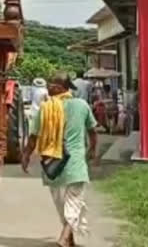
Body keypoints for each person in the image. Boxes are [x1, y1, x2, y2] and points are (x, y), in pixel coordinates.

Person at [21, 76, 98, 247]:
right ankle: (67, 239)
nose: (48, 87)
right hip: (75, 163)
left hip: (52, 163)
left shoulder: (46, 108)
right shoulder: (81, 106)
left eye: (52, 85)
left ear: (62, 87)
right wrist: (93, 150)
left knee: (65, 203)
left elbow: (34, 137)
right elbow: (92, 131)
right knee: (72, 203)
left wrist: (26, 155)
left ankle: (64, 237)